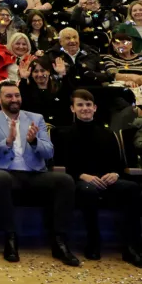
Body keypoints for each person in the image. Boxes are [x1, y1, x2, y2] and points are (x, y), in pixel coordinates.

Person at [0, 81, 80, 266]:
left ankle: (59, 240)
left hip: (35, 173)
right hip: (6, 172)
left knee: (65, 180)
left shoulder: (36, 118)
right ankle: (10, 238)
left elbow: (49, 152)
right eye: (9, 96)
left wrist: (34, 142)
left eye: (17, 95)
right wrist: (8, 141)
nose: (14, 99)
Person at [53, 90, 142, 266]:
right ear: (72, 108)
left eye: (88, 105)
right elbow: (60, 164)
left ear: (95, 108)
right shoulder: (62, 134)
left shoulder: (108, 134)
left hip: (106, 180)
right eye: (80, 105)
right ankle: (93, 241)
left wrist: (115, 174)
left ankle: (131, 247)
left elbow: (117, 165)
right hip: (80, 181)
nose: (84, 108)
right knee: (89, 191)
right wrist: (82, 175)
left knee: (132, 188)